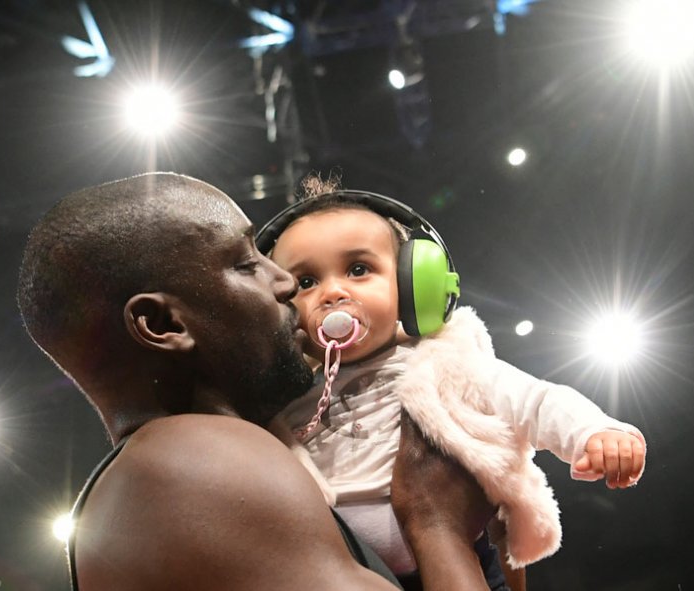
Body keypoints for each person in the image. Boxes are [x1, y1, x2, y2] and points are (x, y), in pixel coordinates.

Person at [16, 172, 497, 591]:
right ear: (164, 325)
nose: (284, 283)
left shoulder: (169, 470)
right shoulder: (193, 462)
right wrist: (437, 525)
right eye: (246, 263)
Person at [257, 177, 648, 589]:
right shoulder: (288, 402)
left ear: (415, 285)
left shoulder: (447, 363)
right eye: (305, 282)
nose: (332, 292)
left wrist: (595, 433)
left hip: (467, 560)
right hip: (349, 577)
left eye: (358, 269)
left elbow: (535, 401)